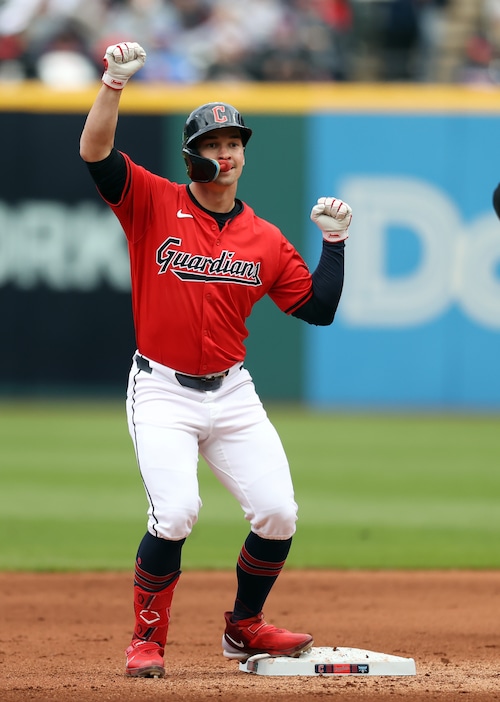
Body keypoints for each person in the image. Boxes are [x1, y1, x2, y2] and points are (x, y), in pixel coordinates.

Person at [79, 41, 352, 679]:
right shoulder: (152, 202)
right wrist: (114, 85)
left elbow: (317, 309)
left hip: (231, 392)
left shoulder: (263, 237)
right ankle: (147, 639)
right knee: (175, 513)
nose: (225, 154)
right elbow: (94, 153)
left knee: (279, 512)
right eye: (213, 144)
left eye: (235, 144)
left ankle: (244, 627)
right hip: (162, 390)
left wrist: (334, 243)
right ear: (192, 153)